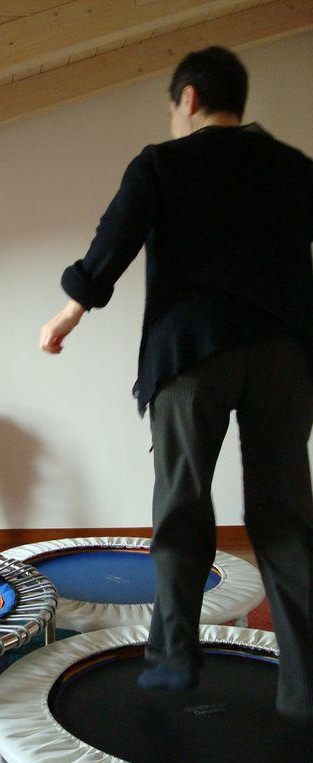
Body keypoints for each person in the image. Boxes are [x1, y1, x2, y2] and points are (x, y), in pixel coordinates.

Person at [40, 46, 313, 721]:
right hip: (284, 356)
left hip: (191, 355)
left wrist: (69, 312)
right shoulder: (293, 167)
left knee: (182, 508)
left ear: (188, 98)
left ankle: (171, 663)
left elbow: (114, 240)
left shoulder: (163, 162)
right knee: (285, 519)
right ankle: (307, 686)